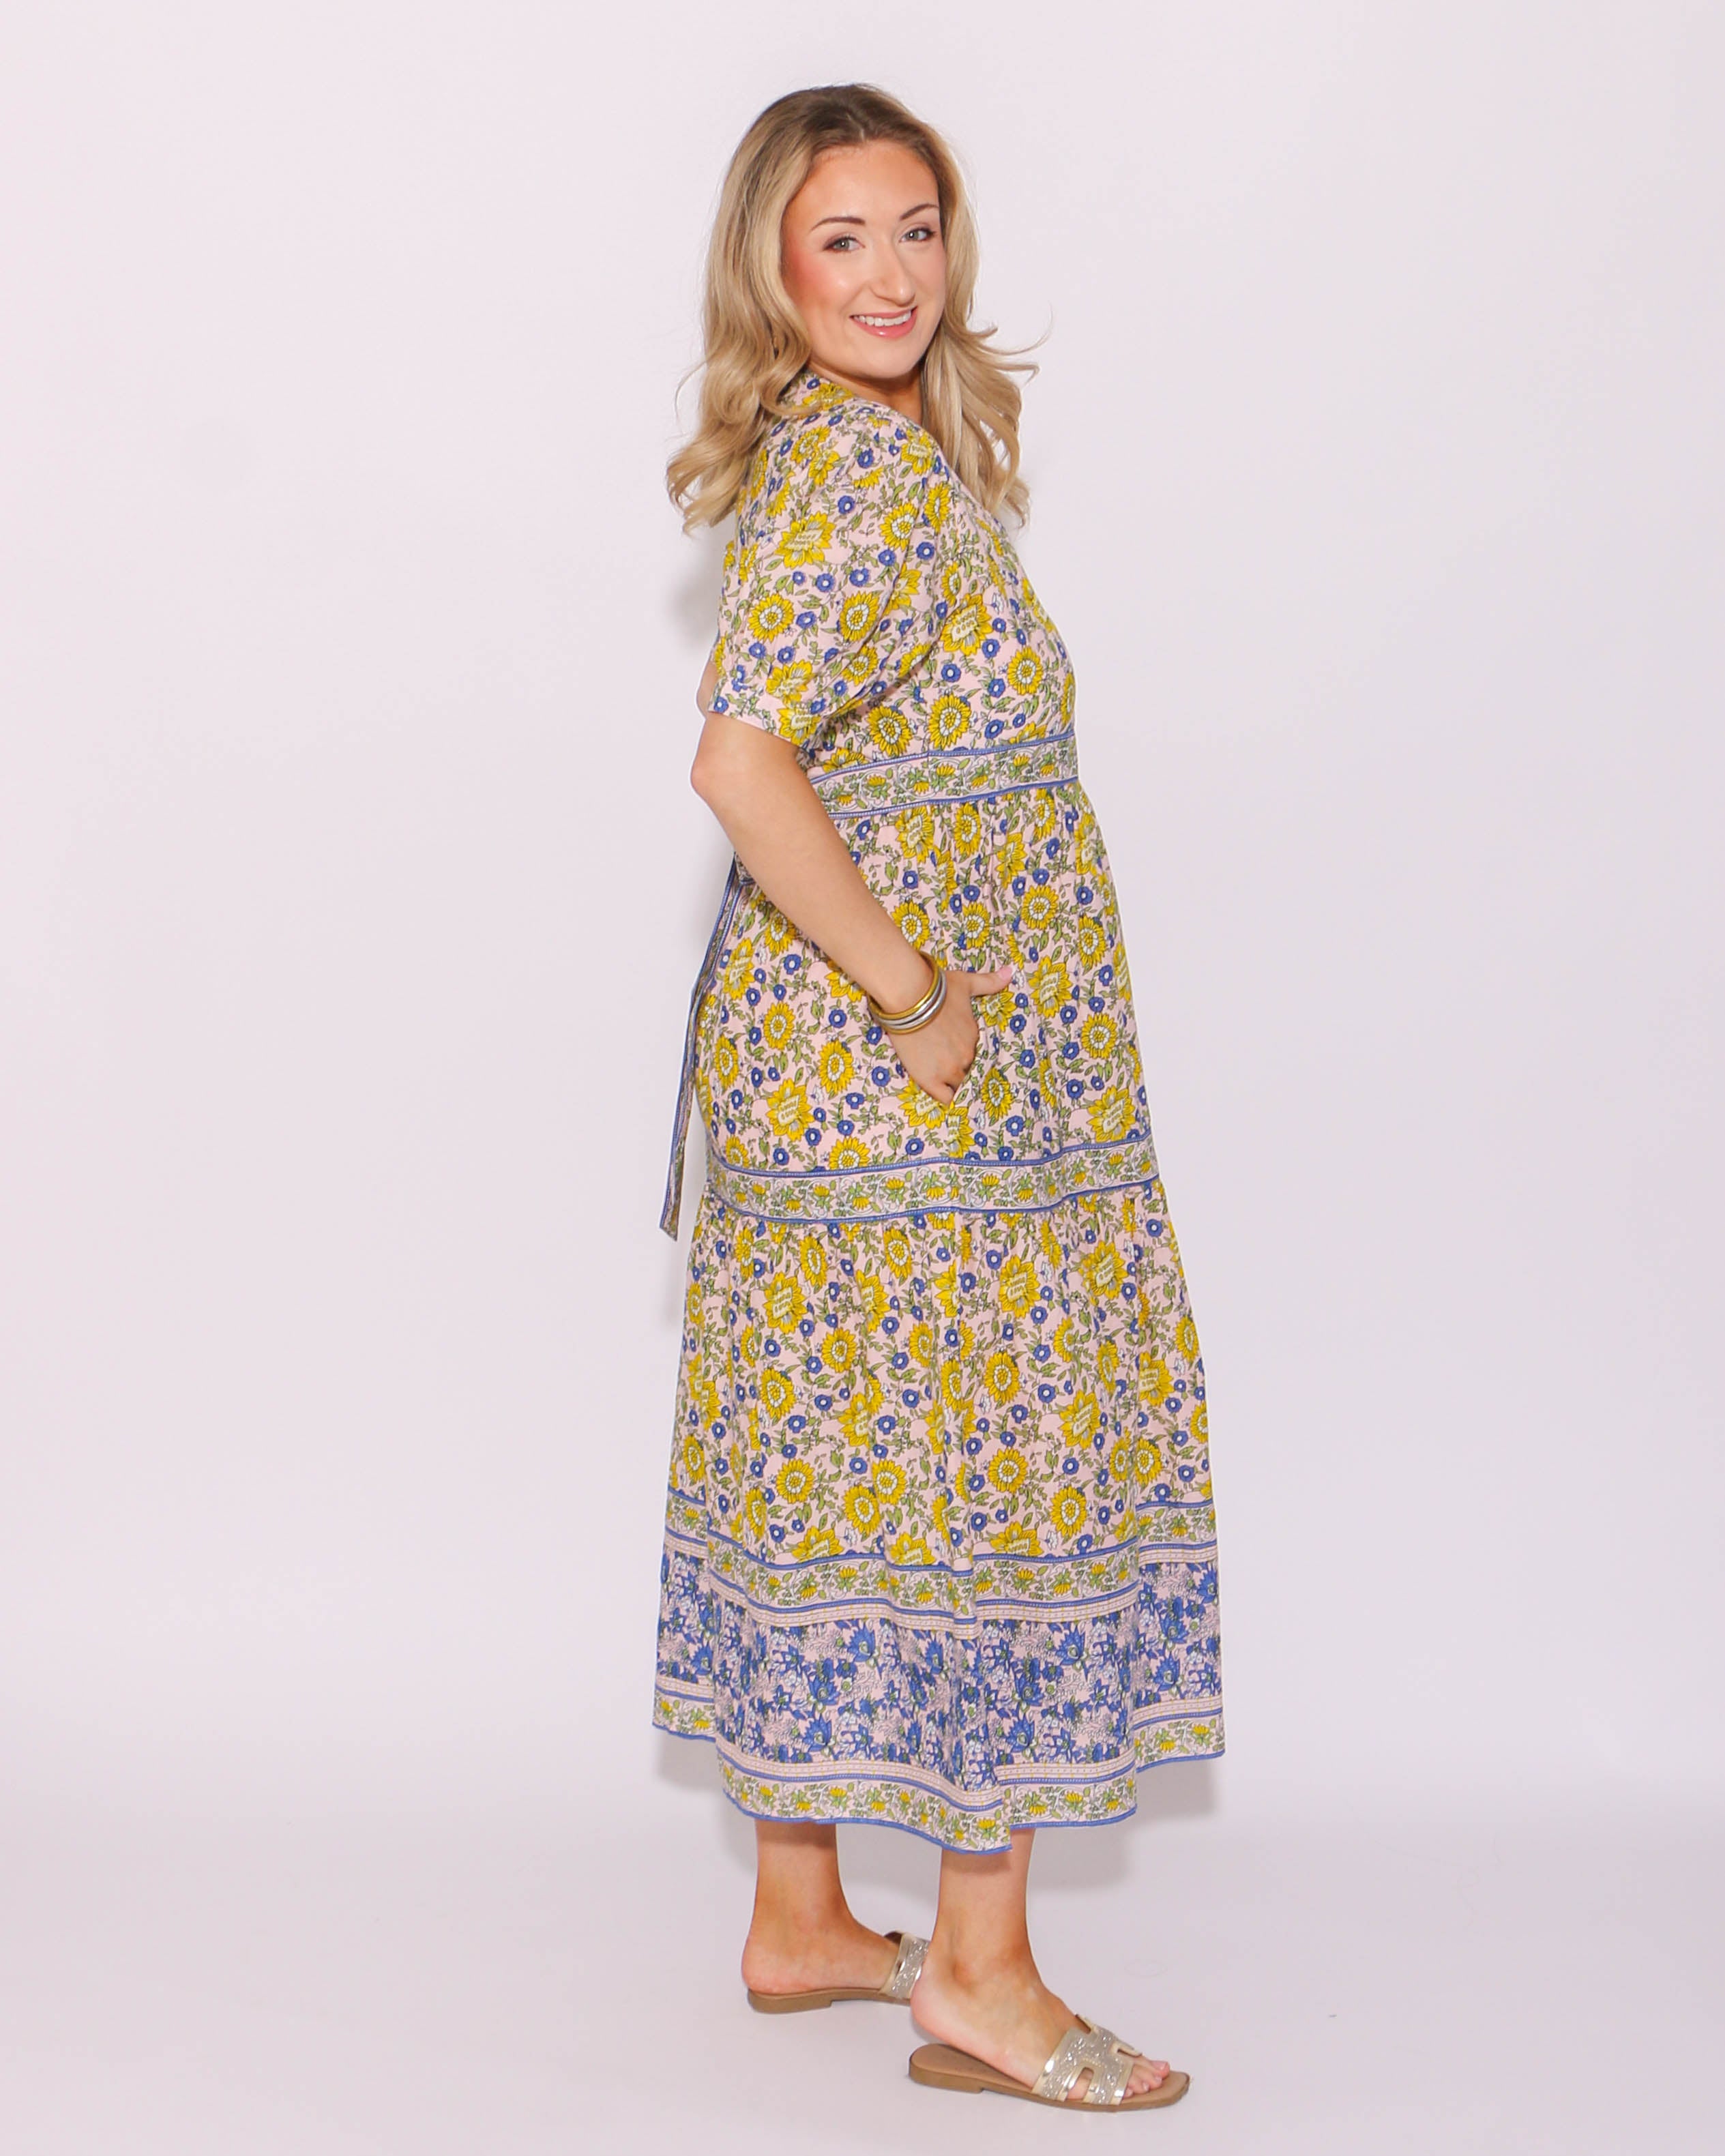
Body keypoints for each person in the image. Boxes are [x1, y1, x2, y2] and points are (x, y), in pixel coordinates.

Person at [653, 82, 1223, 2112]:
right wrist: (917, 994)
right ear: (773, 267)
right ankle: (977, 1972)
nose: (890, 274)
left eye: (917, 229)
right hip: (907, 1092)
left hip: (863, 1093)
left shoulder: (867, 455)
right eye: (843, 240)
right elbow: (739, 762)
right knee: (994, 1480)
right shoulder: (853, 484)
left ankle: (802, 1918)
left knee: (847, 1469)